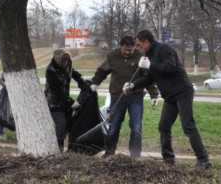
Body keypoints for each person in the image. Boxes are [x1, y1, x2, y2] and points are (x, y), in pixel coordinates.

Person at [126, 30, 212, 169]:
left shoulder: (164, 49)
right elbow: (149, 78)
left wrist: (151, 65)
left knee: (188, 125)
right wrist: (133, 85)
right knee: (163, 127)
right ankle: (168, 159)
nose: (138, 48)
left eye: (139, 44)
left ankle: (204, 160)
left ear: (146, 42)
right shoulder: (149, 55)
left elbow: (170, 67)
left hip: (182, 92)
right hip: (170, 96)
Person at [90, 35, 159, 159]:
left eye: (130, 50)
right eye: (124, 50)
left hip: (136, 98)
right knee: (113, 127)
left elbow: (148, 78)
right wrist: (95, 83)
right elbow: (102, 71)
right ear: (120, 47)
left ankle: (135, 156)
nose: (127, 53)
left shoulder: (140, 57)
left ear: (134, 48)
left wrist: (154, 95)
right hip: (117, 97)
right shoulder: (112, 56)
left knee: (136, 128)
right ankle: (109, 153)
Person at [44, 48, 87, 150]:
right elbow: (56, 91)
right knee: (61, 123)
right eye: (63, 61)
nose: (65, 63)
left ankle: (67, 146)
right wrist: (70, 102)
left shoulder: (68, 64)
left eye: (67, 61)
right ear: (58, 60)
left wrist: (80, 78)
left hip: (64, 99)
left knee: (68, 122)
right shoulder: (51, 70)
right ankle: (58, 147)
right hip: (53, 101)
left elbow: (73, 72)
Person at [0, 73, 6, 139]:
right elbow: (1, 80)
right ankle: (0, 133)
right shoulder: (7, 70)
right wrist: (5, 84)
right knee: (3, 115)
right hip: (6, 97)